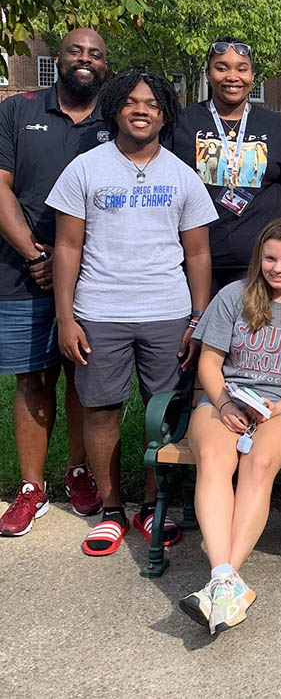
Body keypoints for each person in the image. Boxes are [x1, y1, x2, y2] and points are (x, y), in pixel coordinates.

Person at [47, 70, 217, 557]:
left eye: (153, 104)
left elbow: (198, 254)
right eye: (132, 103)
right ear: (116, 108)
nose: (142, 111)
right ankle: (110, 508)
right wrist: (66, 317)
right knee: (100, 411)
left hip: (167, 311)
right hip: (99, 310)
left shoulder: (181, 175)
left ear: (165, 114)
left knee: (160, 415)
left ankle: (151, 506)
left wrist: (196, 318)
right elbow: (66, 245)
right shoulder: (85, 169)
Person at [179, 217, 281, 633]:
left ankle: (223, 580)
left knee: (258, 462)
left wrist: (277, 408)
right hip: (228, 399)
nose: (278, 269)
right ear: (258, 257)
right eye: (270, 258)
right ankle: (224, 579)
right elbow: (209, 363)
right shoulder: (234, 296)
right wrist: (226, 403)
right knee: (212, 458)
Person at [0, 28, 109, 537]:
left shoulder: (115, 117)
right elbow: (0, 187)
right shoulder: (18, 111)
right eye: (75, 52)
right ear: (58, 60)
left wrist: (70, 262)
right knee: (33, 376)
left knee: (82, 375)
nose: (85, 60)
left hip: (95, 271)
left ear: (104, 66)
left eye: (95, 54)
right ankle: (31, 487)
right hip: (24, 269)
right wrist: (33, 252)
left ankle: (79, 471)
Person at [172, 37, 281, 296]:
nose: (232, 76)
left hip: (261, 265)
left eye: (241, 69)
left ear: (252, 76)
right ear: (208, 73)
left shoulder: (279, 129)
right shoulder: (182, 124)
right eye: (222, 68)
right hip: (196, 263)